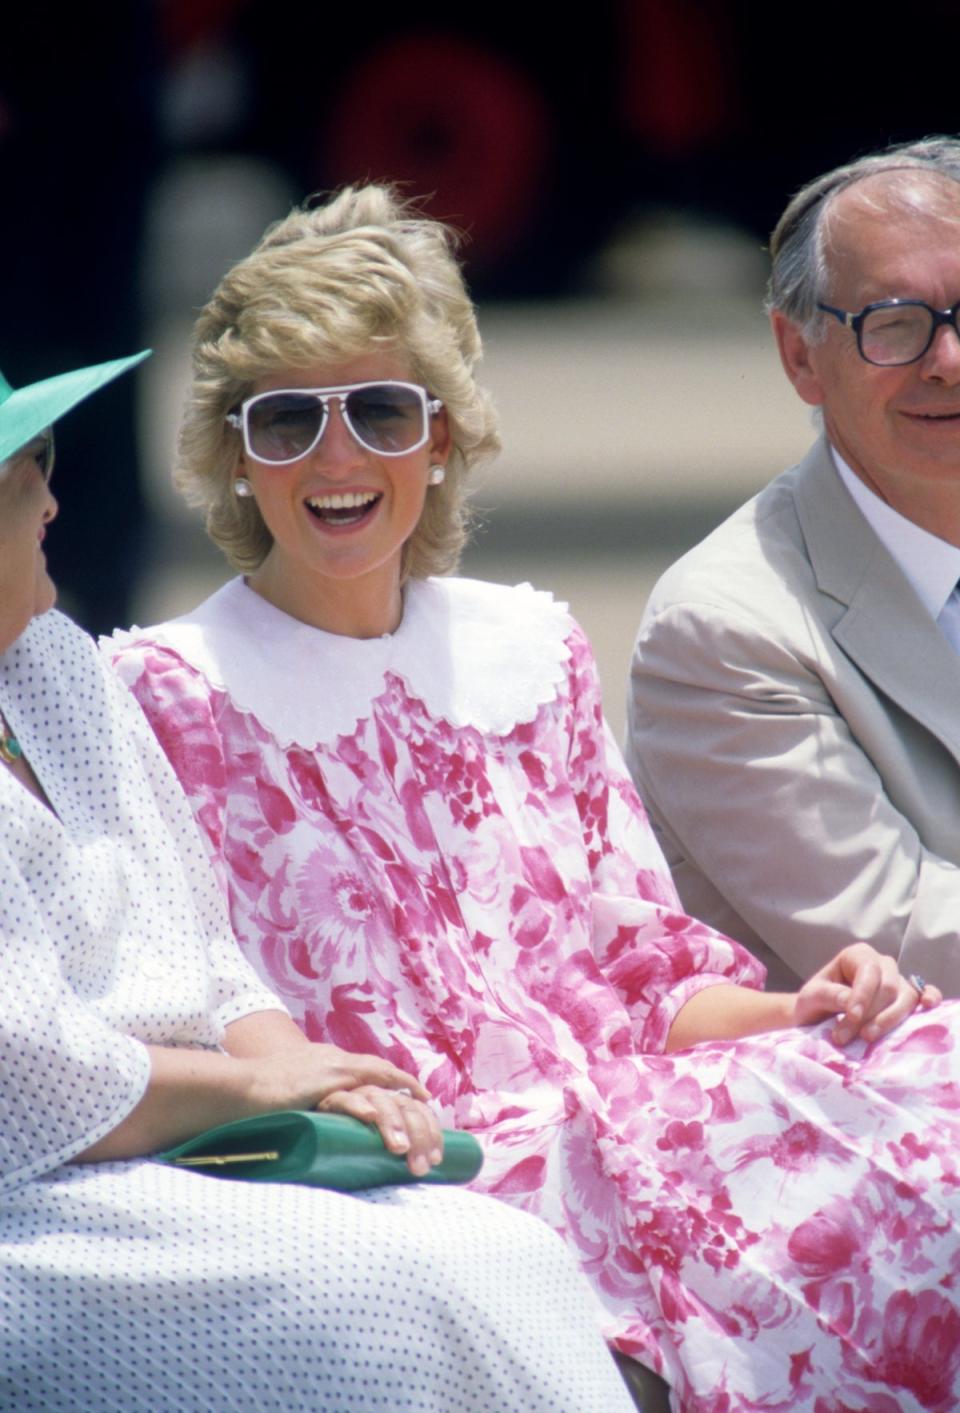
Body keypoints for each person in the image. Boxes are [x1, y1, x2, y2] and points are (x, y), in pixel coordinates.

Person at [111, 183, 960, 1412]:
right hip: (433, 1166)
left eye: (381, 411)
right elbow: (202, 1015)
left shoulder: (533, 644)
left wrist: (802, 1007)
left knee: (934, 1061)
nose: (337, 458)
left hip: (636, 1112)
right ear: (236, 455)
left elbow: (649, 993)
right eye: (287, 419)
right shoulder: (162, 690)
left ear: (441, 436)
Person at [0, 351, 634, 1413]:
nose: (58, 498)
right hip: (37, 1197)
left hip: (167, 1152)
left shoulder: (48, 661)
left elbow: (199, 941)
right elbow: (27, 1077)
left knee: (506, 1253)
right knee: (383, 1295)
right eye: (27, 473)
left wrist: (320, 1075)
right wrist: (255, 1088)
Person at [628, 136, 960, 996]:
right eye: (895, 325)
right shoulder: (721, 628)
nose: (947, 361)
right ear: (800, 357)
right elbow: (908, 939)